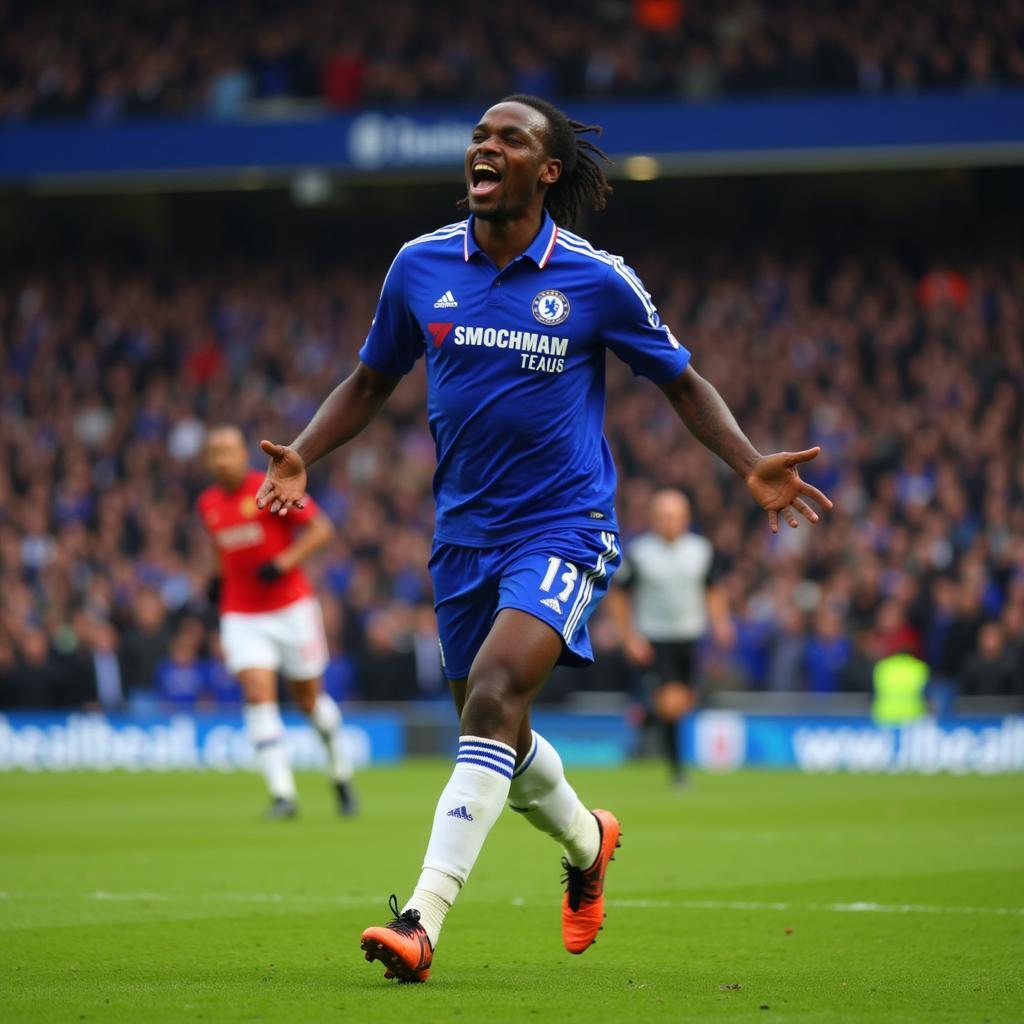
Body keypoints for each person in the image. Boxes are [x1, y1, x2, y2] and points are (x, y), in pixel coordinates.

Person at [255, 94, 832, 982]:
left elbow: (681, 382)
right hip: (460, 539)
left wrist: (749, 462)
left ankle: (421, 920)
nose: (485, 146)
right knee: (498, 733)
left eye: (509, 139)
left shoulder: (597, 279)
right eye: (480, 136)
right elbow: (371, 380)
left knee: (489, 700)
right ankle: (587, 841)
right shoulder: (419, 267)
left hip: (565, 528)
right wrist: (303, 452)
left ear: (547, 170)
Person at [197, 425, 356, 819]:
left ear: (242, 454)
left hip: (291, 608)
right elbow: (220, 547)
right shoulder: (208, 504)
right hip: (241, 613)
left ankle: (340, 770)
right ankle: (283, 794)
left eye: (228, 451)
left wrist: (283, 562)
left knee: (308, 700)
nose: (222, 459)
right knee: (256, 693)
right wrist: (217, 580)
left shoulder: (269, 486)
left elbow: (321, 530)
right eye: (214, 452)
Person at [606, 489, 733, 785]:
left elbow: (713, 589)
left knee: (683, 701)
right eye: (663, 517)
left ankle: (644, 716)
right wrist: (629, 637)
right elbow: (619, 597)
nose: (669, 523)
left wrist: (721, 624)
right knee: (670, 702)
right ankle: (677, 772)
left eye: (674, 517)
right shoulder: (639, 553)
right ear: (653, 519)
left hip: (690, 636)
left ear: (686, 518)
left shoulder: (701, 550)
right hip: (654, 638)